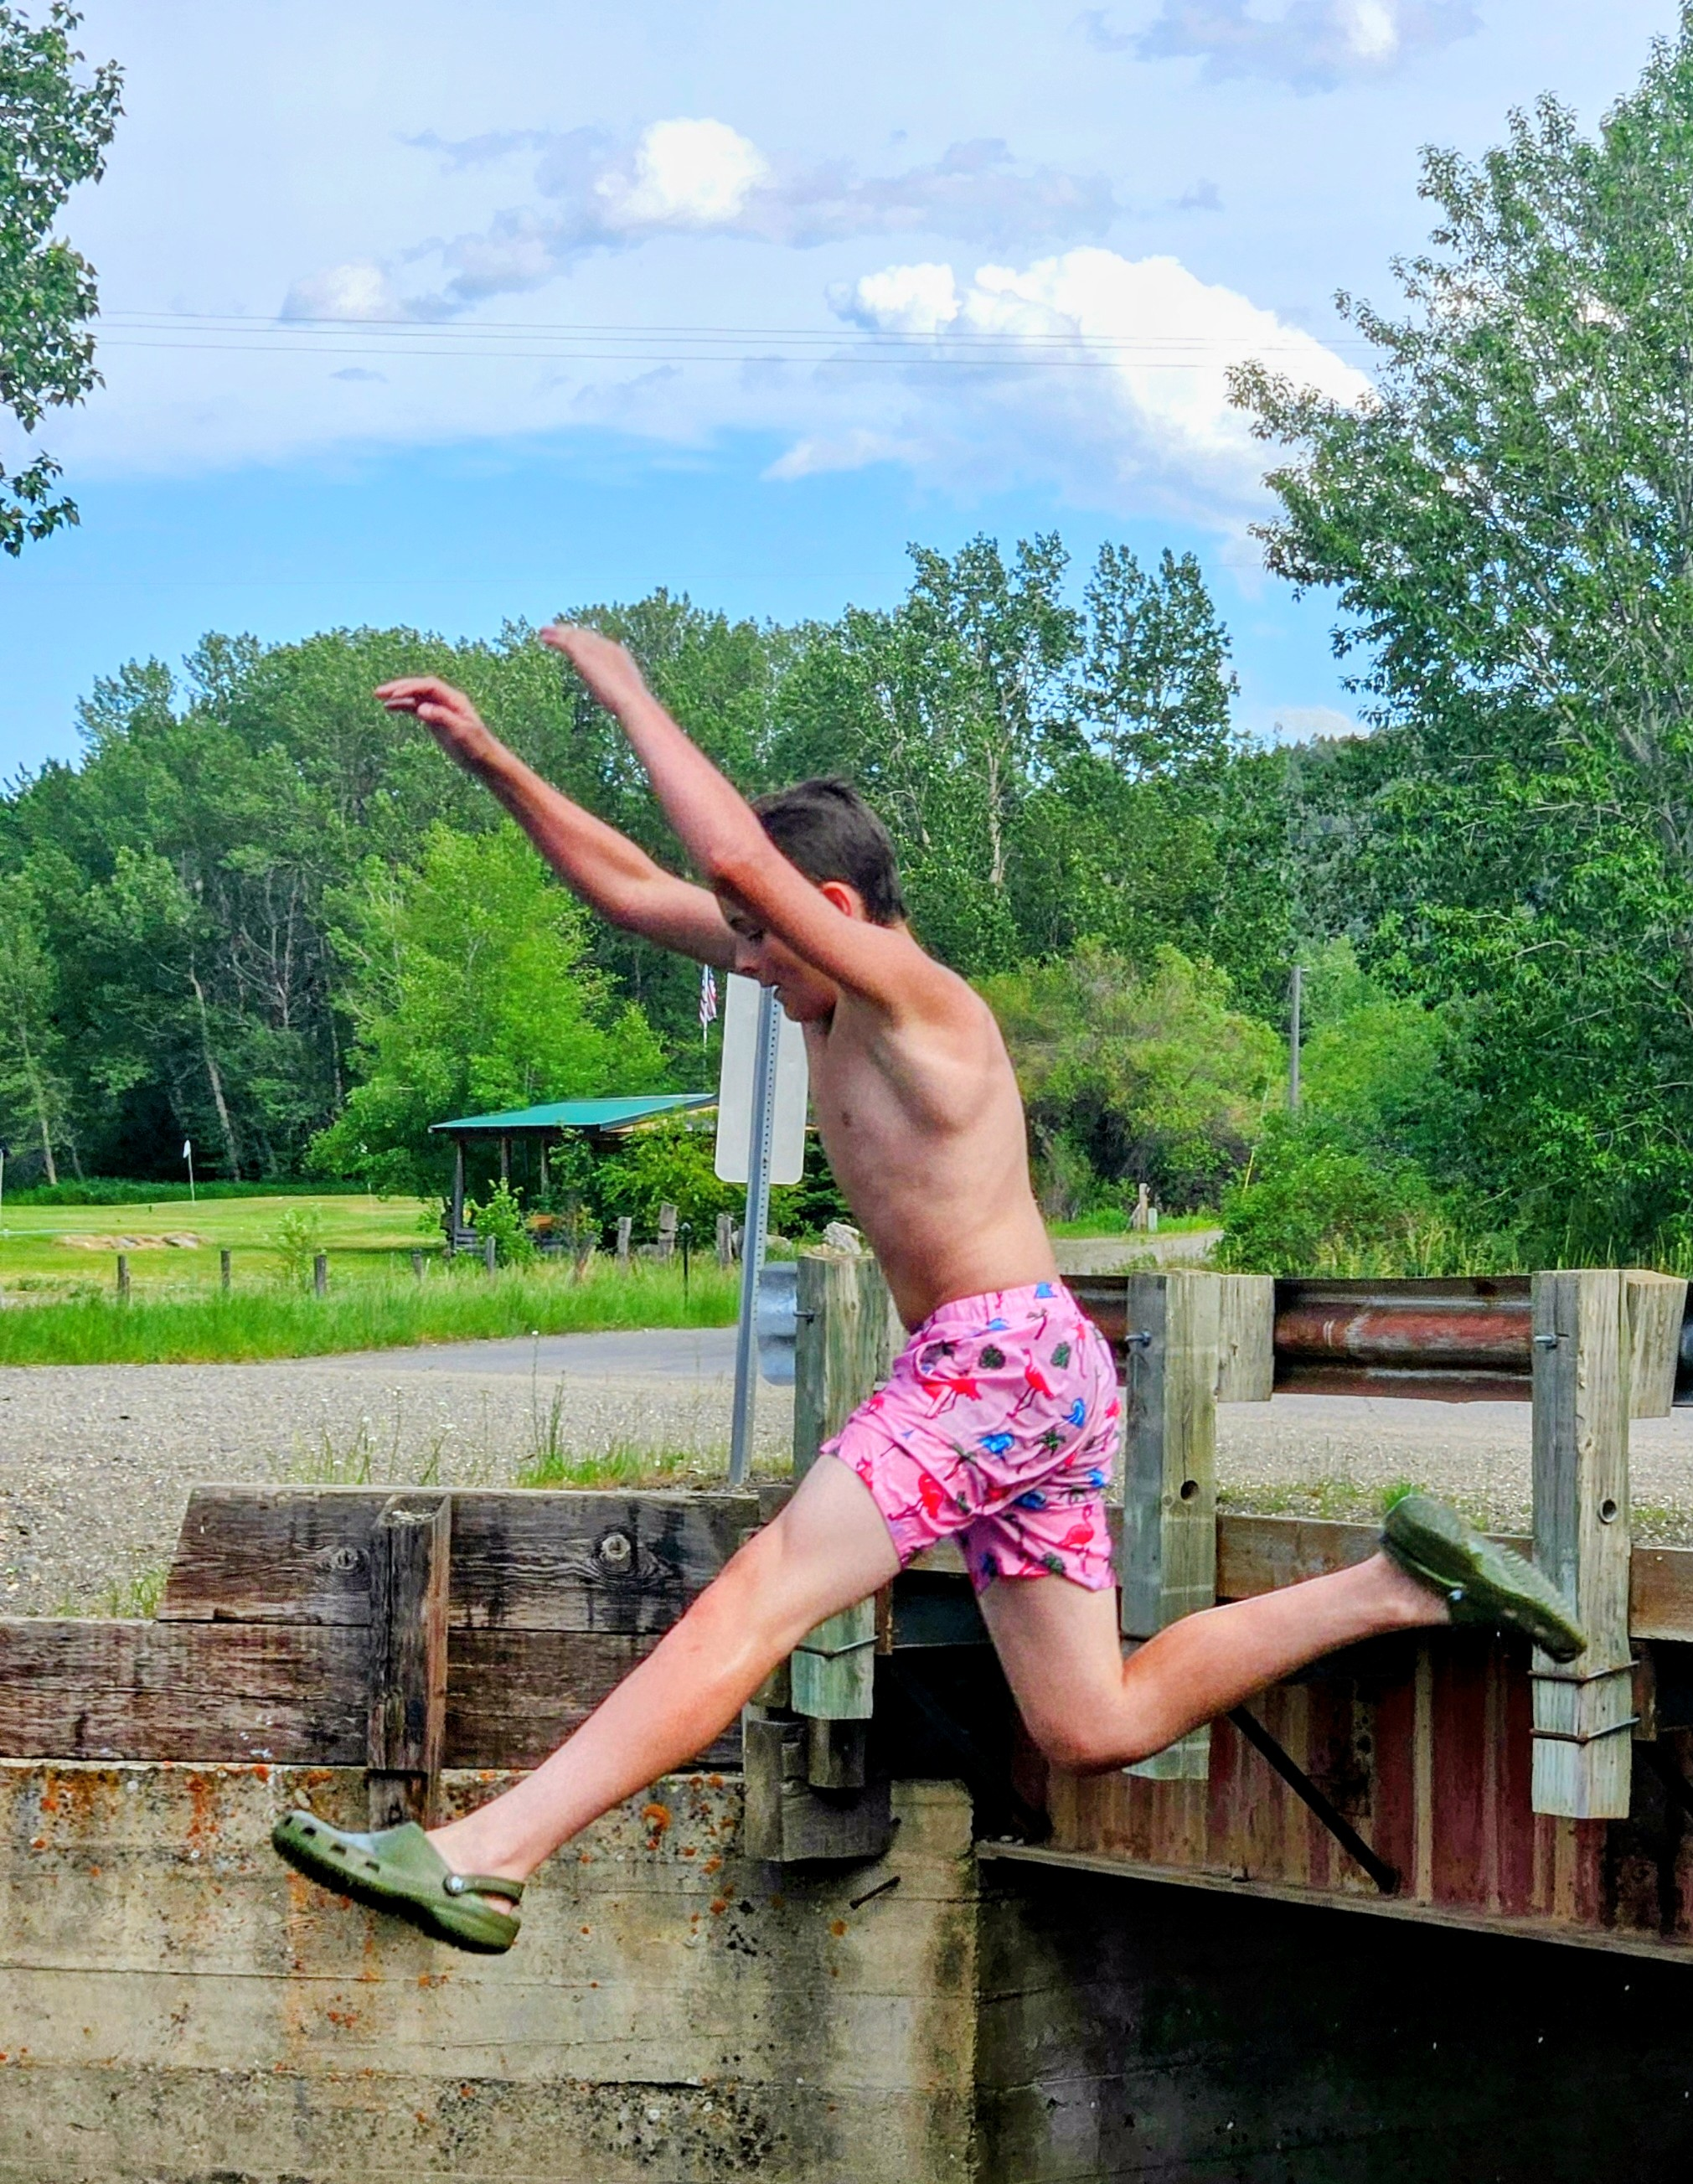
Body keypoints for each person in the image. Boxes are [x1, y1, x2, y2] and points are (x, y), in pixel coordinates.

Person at [272, 625, 1583, 1953]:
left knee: (767, 1583)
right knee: (1090, 1723)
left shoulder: (918, 1003)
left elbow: (729, 861)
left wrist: (620, 684)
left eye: (762, 941)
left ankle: (490, 1852)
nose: (746, 964)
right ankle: (1397, 1585)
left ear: (828, 912)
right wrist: (493, 755)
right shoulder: (820, 992)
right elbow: (634, 886)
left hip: (996, 1362)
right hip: (1039, 1374)